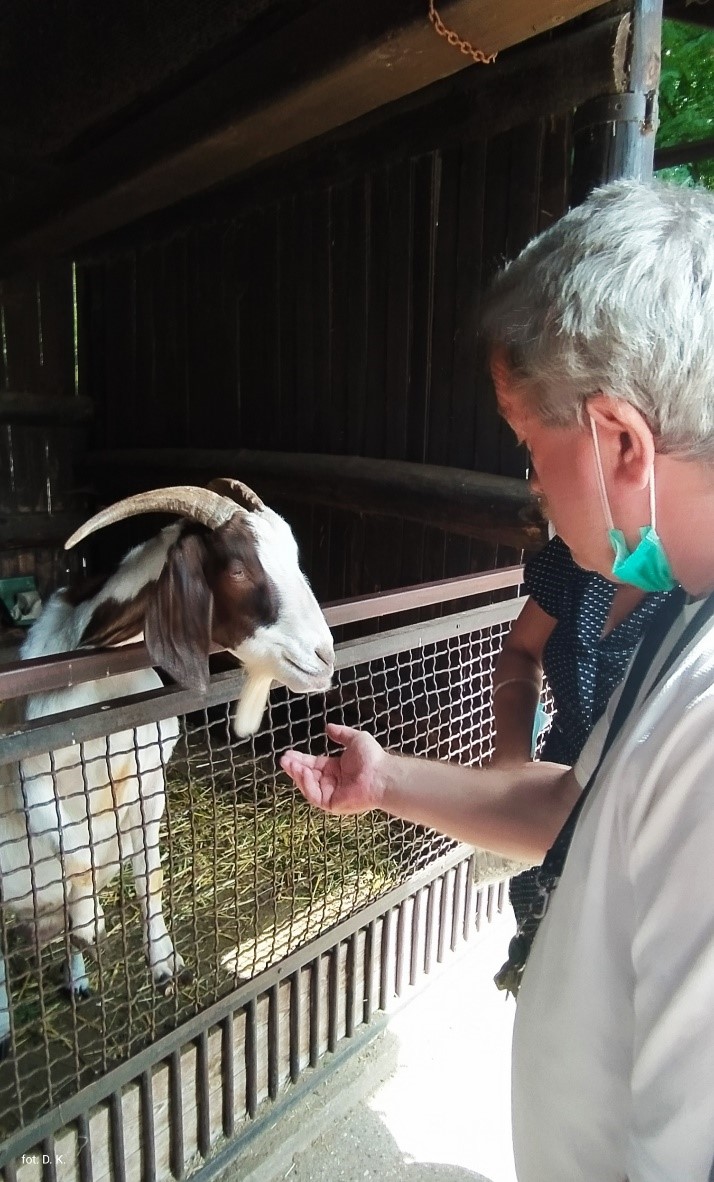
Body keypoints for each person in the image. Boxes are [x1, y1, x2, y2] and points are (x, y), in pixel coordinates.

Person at [280, 179, 714, 1181]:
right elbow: (576, 805)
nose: (531, 482)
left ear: (618, 443)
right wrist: (389, 781)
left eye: (529, 443)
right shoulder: (682, 617)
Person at [490, 532, 671, 929]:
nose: (536, 484)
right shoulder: (578, 549)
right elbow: (521, 651)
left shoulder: (694, 598)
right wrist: (511, 762)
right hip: (546, 807)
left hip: (635, 845)